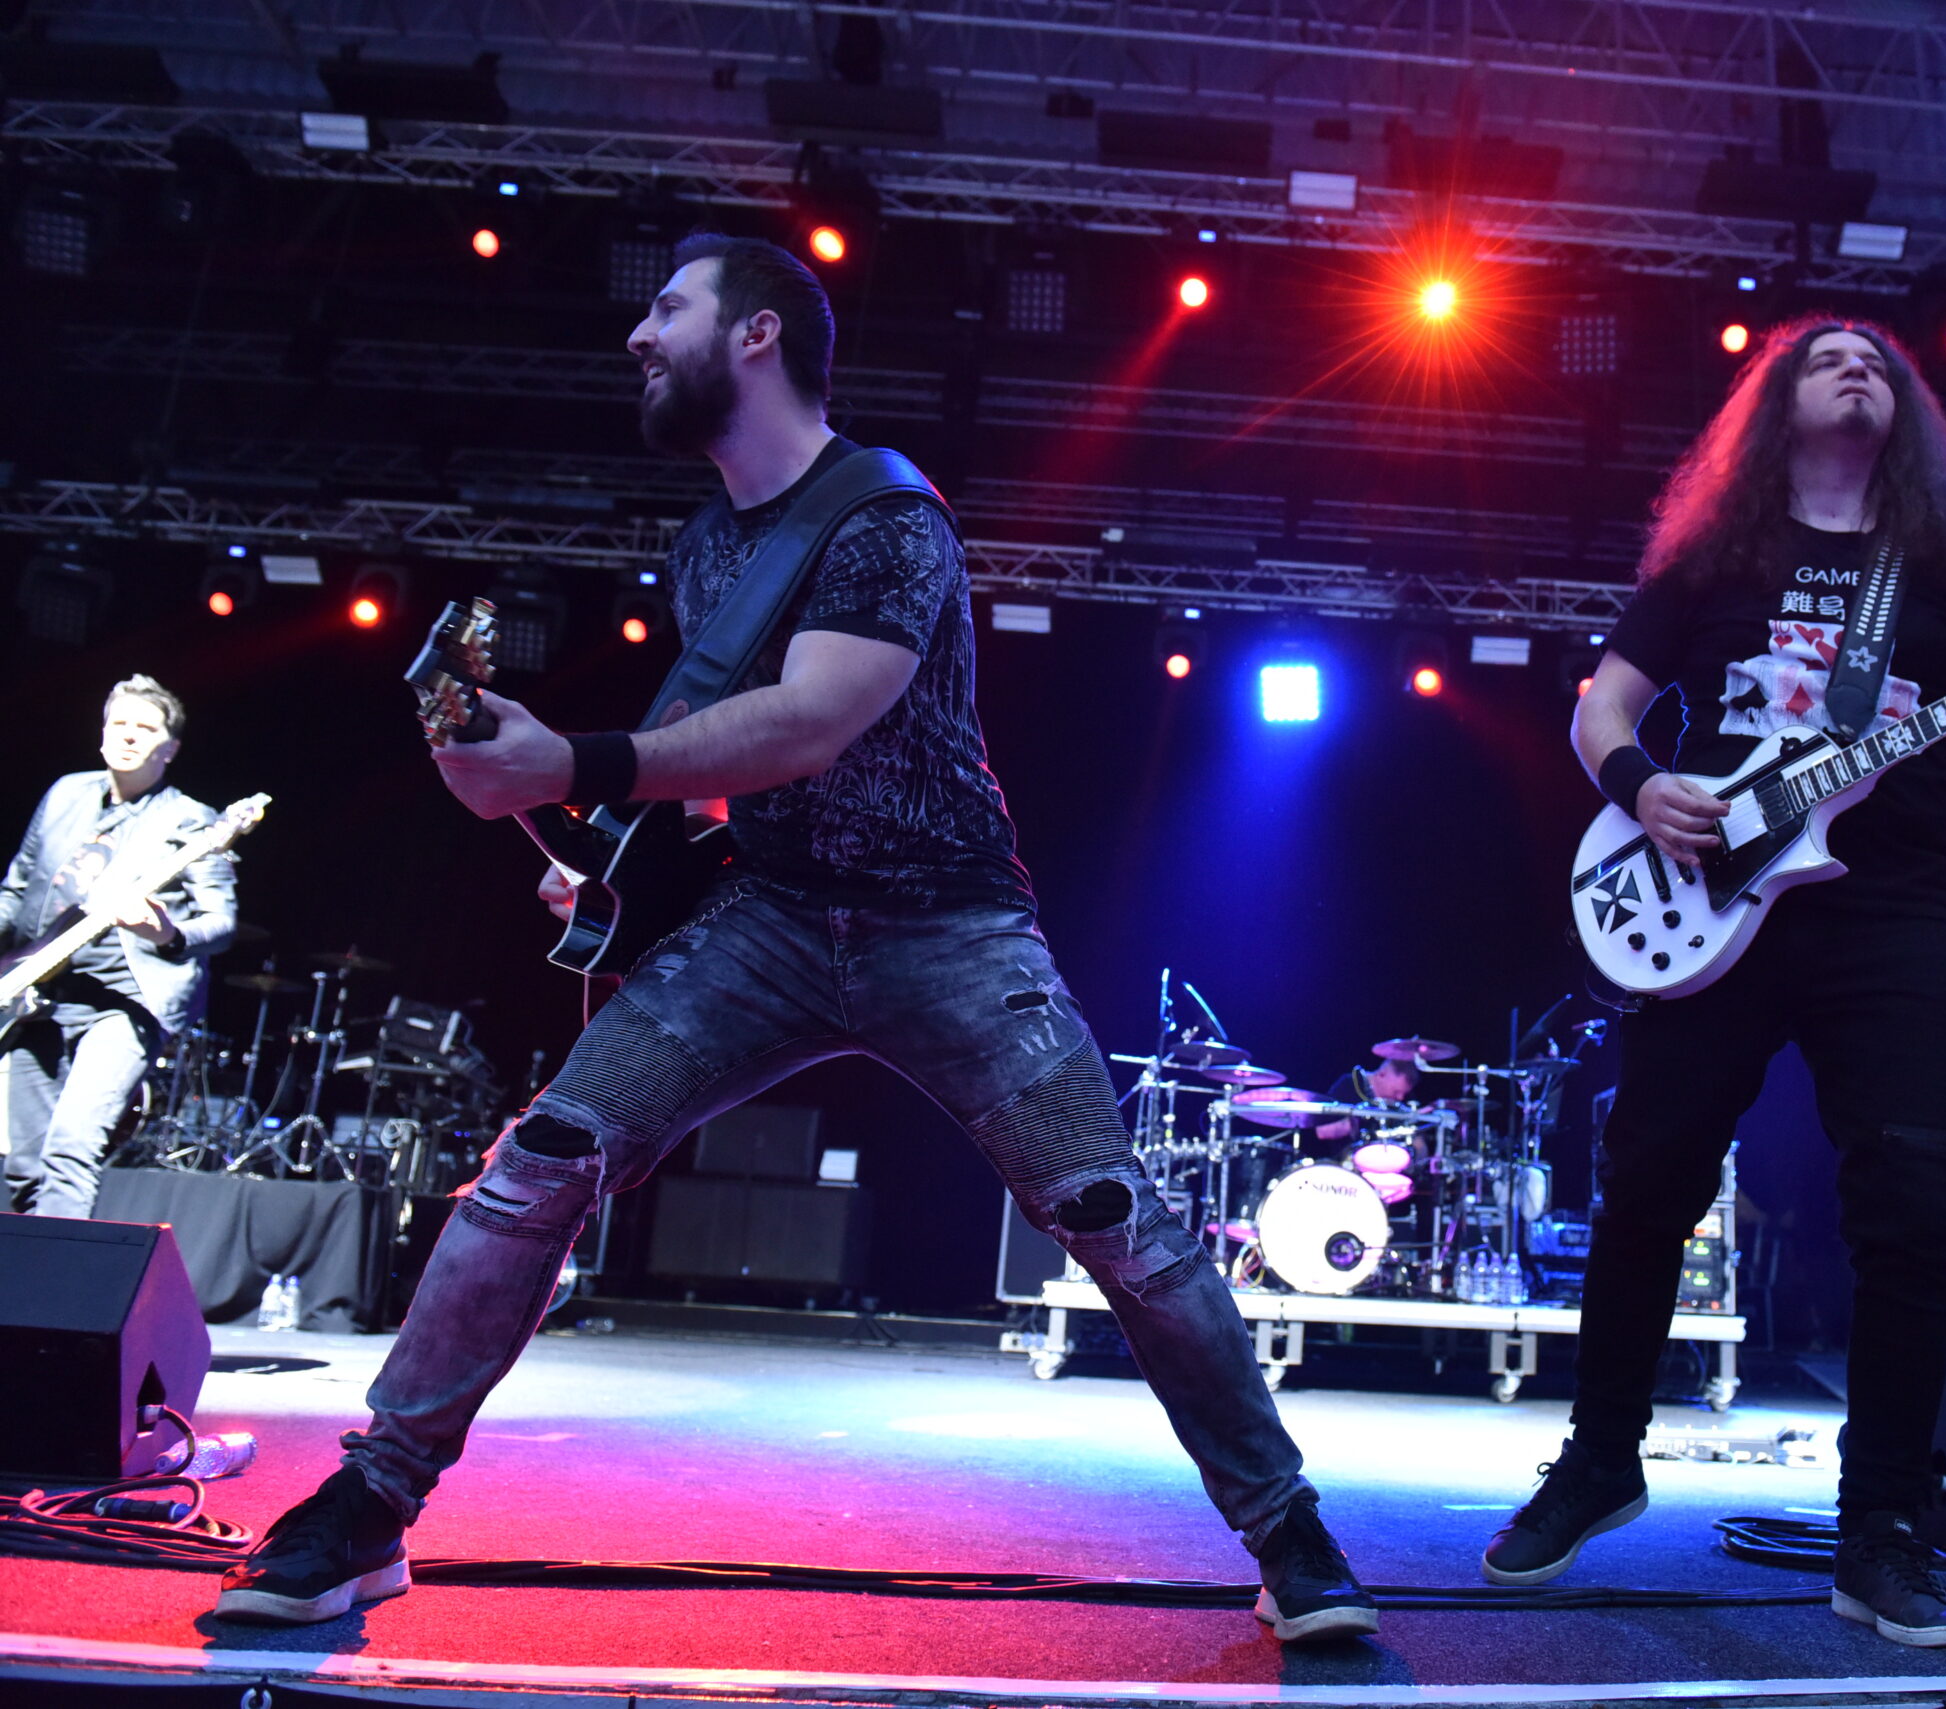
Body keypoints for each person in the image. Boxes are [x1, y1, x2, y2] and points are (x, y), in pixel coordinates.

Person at [216, 234, 1378, 1643]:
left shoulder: (890, 515)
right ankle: (370, 1505)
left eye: (668, 308)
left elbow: (817, 716)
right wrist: (591, 858)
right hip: (765, 920)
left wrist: (573, 758)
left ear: (757, 334)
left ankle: (1288, 1531)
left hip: (948, 924)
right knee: (538, 1164)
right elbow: (719, 775)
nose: (638, 336)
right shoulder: (708, 549)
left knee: (1113, 1217)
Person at [1479, 319, 1946, 1649]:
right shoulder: (1716, 558)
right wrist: (1643, 788)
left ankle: (1879, 1526)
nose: (1857, 368)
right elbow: (1603, 710)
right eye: (1827, 358)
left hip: (1895, 909)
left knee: (1908, 1209)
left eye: (1876, 360)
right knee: (1648, 1181)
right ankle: (1599, 1458)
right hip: (1711, 898)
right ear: (1776, 402)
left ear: (1907, 410)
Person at [2, 677, 236, 1218]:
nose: (128, 736)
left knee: (70, 1147)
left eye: (145, 728)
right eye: (119, 723)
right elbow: (16, 889)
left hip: (123, 1004)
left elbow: (221, 923)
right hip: (39, 996)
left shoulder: (190, 819)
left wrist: (166, 932)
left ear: (169, 748)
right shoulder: (66, 794)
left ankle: (59, 1274)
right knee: (25, 1165)